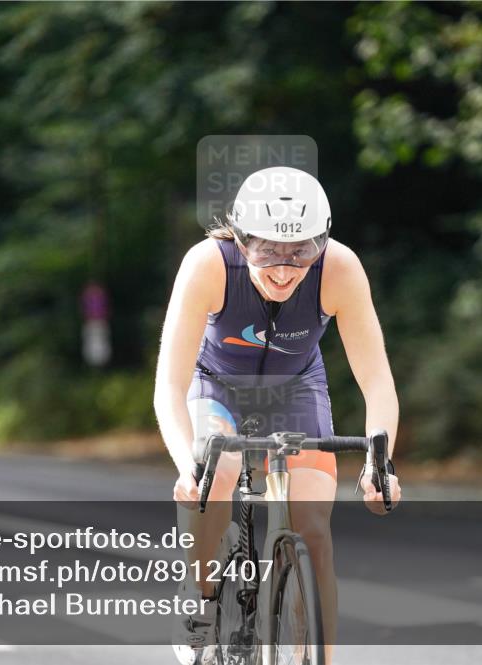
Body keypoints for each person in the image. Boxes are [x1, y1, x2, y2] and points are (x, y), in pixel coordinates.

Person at [154, 166, 402, 664]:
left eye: (301, 252)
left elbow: (377, 379)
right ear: (241, 238)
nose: (285, 270)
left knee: (314, 528)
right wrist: (187, 465)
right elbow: (169, 386)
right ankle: (201, 599)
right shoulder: (207, 265)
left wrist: (380, 465)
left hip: (295, 388)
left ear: (321, 242)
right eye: (268, 251)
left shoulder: (340, 268)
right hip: (216, 385)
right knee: (216, 473)